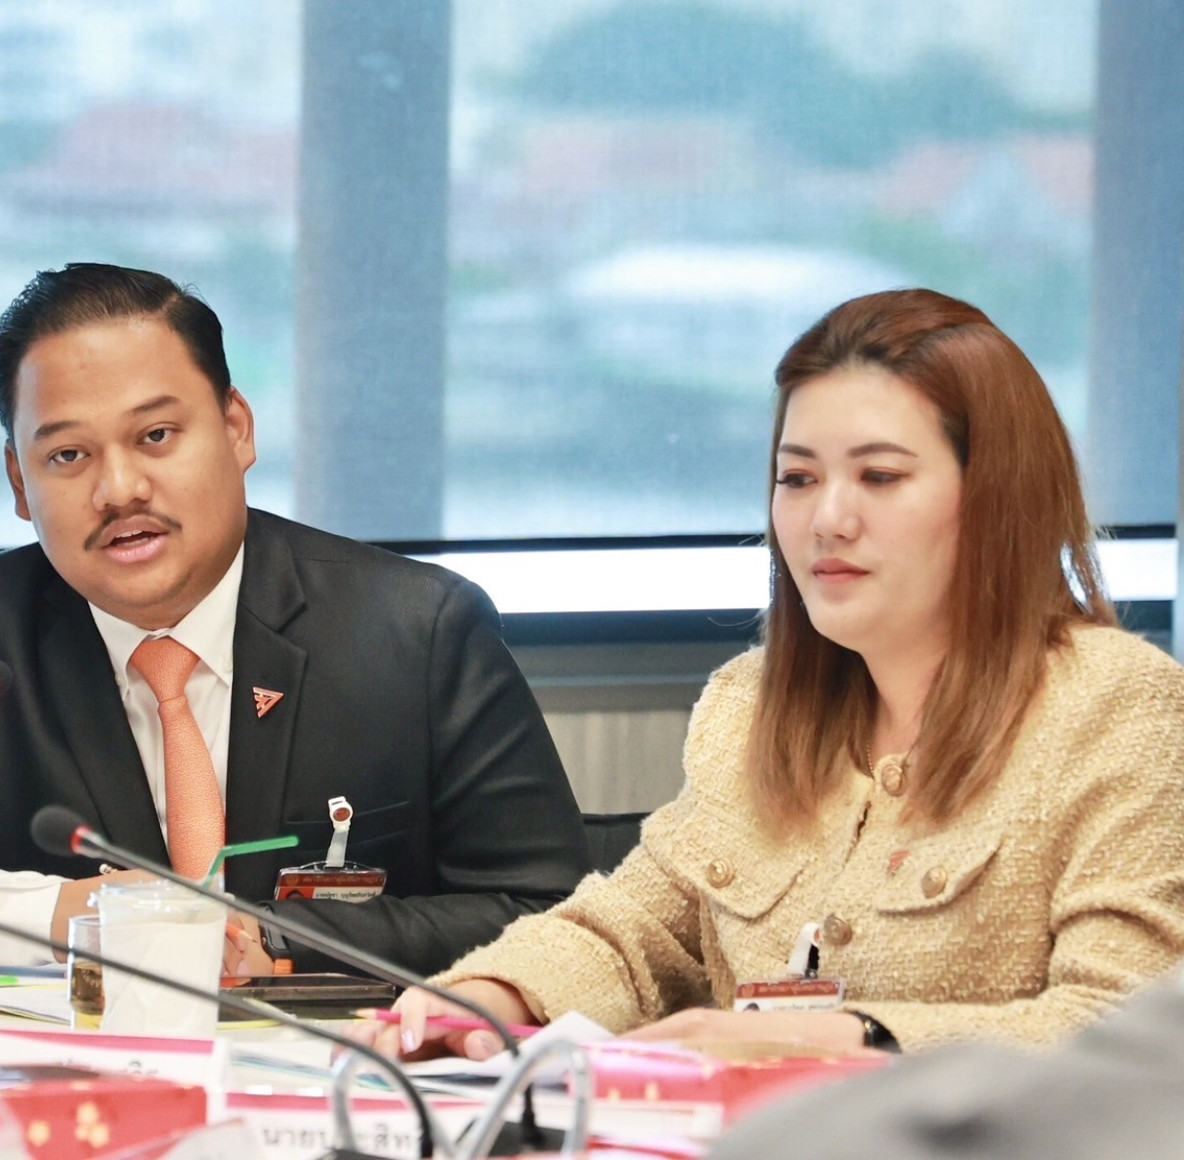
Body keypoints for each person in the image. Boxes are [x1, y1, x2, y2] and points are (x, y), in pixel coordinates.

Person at [362, 288, 1184, 1062]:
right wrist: (489, 998)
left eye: (880, 477)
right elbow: (636, 929)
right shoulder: (750, 706)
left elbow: (1125, 1029)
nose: (827, 519)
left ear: (998, 495)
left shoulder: (1120, 707)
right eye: (798, 479)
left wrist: (832, 1041)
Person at [0, 262, 589, 974]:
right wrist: (63, 917)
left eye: (155, 436)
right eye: (68, 455)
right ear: (18, 483)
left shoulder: (415, 631)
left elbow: (552, 913)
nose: (118, 490)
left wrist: (273, 939)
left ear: (236, 429)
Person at [710, 969, 1184, 1159]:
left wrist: (853, 1030)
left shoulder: (1108, 773)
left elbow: (1101, 1009)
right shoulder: (739, 776)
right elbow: (659, 923)